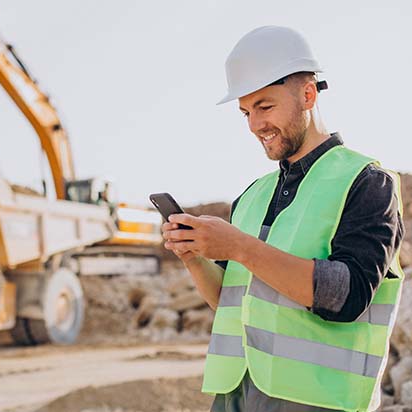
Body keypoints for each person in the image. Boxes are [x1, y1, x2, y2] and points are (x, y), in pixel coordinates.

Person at [161, 26, 405, 412]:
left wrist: (240, 247)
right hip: (235, 394)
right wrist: (193, 256)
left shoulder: (366, 182)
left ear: (308, 94)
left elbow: (349, 295)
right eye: (246, 112)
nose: (255, 125)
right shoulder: (253, 195)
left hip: (318, 400)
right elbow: (230, 303)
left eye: (265, 106)